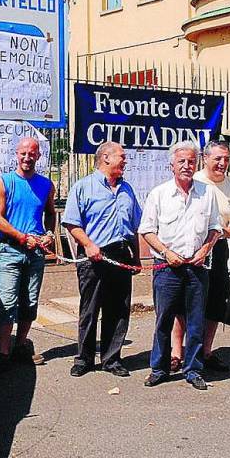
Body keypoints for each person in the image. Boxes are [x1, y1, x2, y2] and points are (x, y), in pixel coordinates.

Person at [139, 141, 221, 391]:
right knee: (163, 321)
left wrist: (205, 250)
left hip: (197, 268)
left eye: (191, 161)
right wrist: (166, 252)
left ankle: (194, 370)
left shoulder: (207, 194)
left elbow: (215, 229)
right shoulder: (159, 194)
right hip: (167, 268)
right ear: (171, 165)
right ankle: (159, 369)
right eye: (181, 162)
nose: (187, 166)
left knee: (196, 321)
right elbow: (147, 230)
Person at [62, 141, 141, 378]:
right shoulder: (83, 187)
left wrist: (136, 257)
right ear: (105, 158)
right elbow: (72, 222)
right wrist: (88, 245)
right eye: (121, 156)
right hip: (94, 256)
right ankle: (84, 358)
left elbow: (133, 226)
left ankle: (111, 358)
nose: (125, 161)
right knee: (90, 309)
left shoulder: (127, 189)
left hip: (120, 254)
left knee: (118, 309)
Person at [170, 141, 230, 373]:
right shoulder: (195, 183)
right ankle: (177, 352)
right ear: (205, 159)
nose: (223, 163)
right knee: (184, 302)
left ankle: (205, 351)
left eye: (226, 159)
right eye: (218, 159)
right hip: (190, 248)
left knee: (215, 302)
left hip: (218, 249)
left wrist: (221, 233)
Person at [0, 137, 56, 368]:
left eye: (32, 153)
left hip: (35, 252)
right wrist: (21, 237)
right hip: (10, 251)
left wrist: (49, 233)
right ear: (16, 154)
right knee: (7, 302)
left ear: (38, 156)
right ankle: (3, 353)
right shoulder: (3, 183)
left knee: (30, 301)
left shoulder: (46, 185)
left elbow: (50, 213)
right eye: (23, 153)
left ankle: (21, 346)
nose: (27, 157)